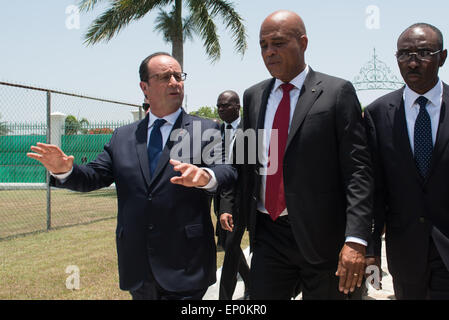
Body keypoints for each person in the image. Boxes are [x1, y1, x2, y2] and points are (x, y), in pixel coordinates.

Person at [27, 52, 237, 300]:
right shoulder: (122, 136)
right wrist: (64, 170)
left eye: (178, 76)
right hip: (138, 265)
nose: (174, 82)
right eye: (164, 77)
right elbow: (94, 175)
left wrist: (204, 176)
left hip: (186, 263)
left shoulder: (205, 129)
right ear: (144, 87)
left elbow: (227, 169)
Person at [239, 10, 373, 300]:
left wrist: (356, 239)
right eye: (263, 45)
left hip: (324, 240)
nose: (269, 52)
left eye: (277, 43)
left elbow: (358, 172)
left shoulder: (337, 93)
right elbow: (244, 160)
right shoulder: (253, 96)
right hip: (268, 236)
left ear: (303, 42)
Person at [364, 23, 449, 299]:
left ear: (443, 57)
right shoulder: (378, 114)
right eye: (404, 54)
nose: (412, 62)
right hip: (405, 254)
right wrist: (372, 250)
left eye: (423, 53)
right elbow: (374, 190)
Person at [214, 90, 250, 300]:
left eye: (225, 105)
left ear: (237, 107)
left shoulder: (250, 129)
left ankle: (224, 299)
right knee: (230, 245)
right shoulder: (215, 132)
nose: (220, 110)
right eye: (218, 106)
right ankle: (251, 282)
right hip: (222, 200)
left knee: (230, 247)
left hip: (245, 198)